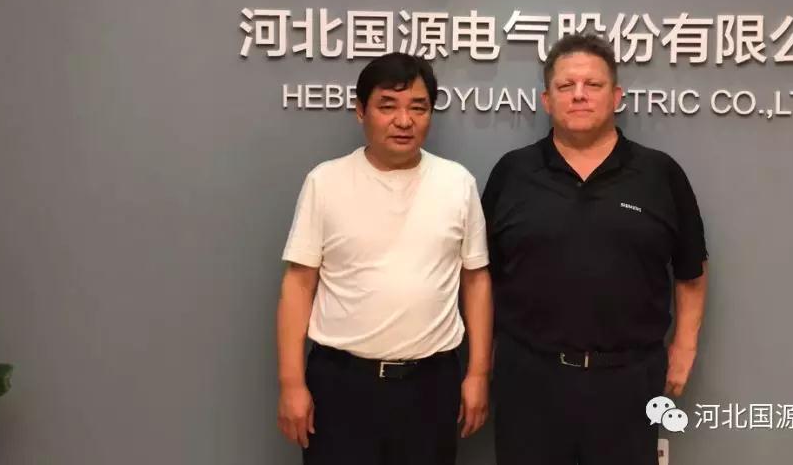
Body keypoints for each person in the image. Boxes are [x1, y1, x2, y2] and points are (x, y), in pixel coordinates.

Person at [482, 33, 709, 465]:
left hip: (629, 382)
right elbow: (481, 276)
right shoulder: (513, 172)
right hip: (529, 379)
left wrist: (684, 347)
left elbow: (691, 270)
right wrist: (480, 363)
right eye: (566, 86)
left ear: (616, 96)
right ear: (547, 100)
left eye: (593, 84)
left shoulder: (659, 173)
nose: (579, 95)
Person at [275, 52, 493, 465]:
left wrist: (478, 373)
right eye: (388, 106)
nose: (404, 120)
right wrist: (291, 383)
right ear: (361, 111)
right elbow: (299, 283)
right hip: (341, 385)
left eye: (418, 107)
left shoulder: (457, 183)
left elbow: (476, 280)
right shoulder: (325, 181)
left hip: (431, 385)